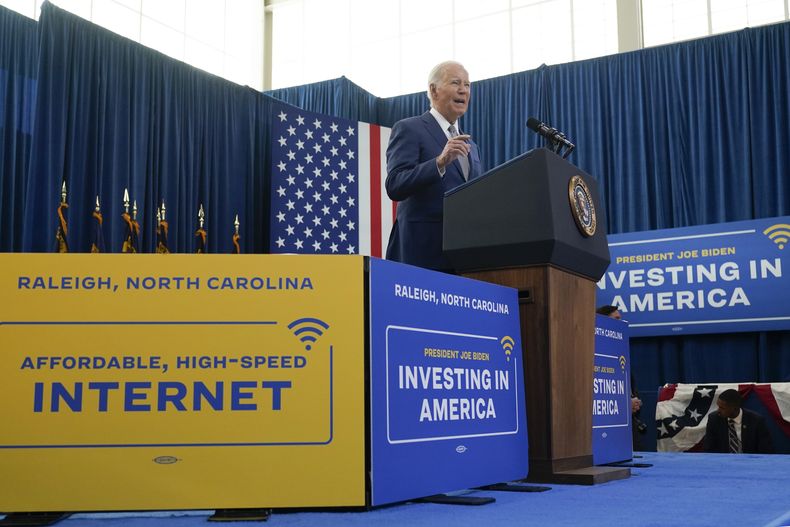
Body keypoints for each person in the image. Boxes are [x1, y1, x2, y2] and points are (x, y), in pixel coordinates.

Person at [385, 61, 483, 271]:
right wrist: (439, 163)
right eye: (456, 82)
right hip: (421, 255)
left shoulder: (471, 146)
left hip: (463, 256)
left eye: (467, 85)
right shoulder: (409, 128)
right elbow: (395, 184)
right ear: (433, 90)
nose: (463, 90)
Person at [596, 304, 646, 449]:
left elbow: (630, 387)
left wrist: (634, 401)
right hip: (605, 432)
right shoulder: (595, 351)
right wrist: (624, 406)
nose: (621, 323)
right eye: (616, 319)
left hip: (628, 427)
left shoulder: (620, 352)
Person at [703, 389, 774, 454]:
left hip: (750, 462)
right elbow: (709, 448)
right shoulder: (714, 419)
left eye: (722, 408)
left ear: (734, 408)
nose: (718, 411)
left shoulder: (756, 421)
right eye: (718, 406)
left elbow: (765, 450)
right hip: (723, 462)